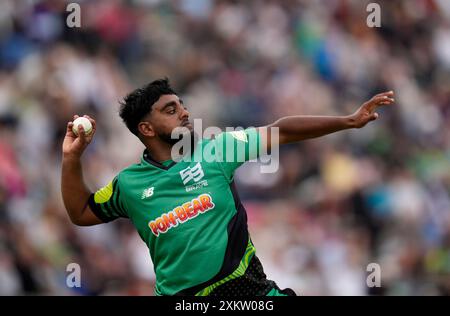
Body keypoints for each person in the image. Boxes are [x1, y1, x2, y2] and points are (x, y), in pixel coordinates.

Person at [61, 78, 394, 296]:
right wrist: (72, 160)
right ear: (146, 128)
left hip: (247, 291)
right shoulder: (129, 185)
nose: (184, 113)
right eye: (171, 110)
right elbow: (81, 212)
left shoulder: (217, 150)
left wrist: (348, 120)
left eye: (181, 105)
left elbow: (281, 131)